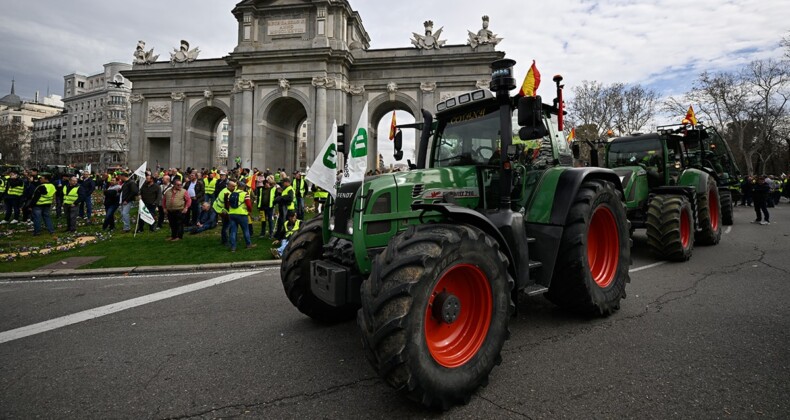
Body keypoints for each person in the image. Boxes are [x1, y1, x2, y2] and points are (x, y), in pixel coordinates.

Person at [225, 180, 256, 252]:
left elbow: (227, 204)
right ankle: (248, 244)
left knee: (233, 231)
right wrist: (249, 211)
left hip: (232, 214)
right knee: (245, 230)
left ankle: (233, 247)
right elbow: (248, 204)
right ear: (243, 187)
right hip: (242, 214)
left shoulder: (231, 194)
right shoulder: (245, 194)